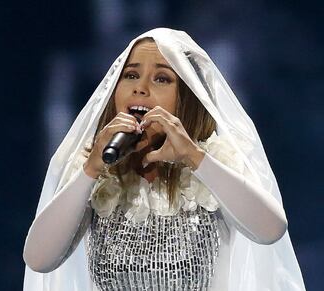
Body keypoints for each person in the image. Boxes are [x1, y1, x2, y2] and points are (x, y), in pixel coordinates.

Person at [23, 28, 306, 291]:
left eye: (162, 78)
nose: (140, 88)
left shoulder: (215, 162)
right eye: (131, 75)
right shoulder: (96, 171)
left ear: (188, 99)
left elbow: (271, 230)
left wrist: (193, 157)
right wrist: (90, 170)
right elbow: (38, 259)